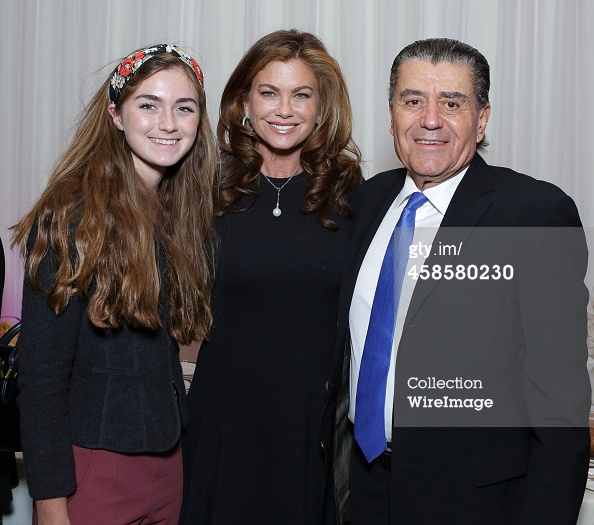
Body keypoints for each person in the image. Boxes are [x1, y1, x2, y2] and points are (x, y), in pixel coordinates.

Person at [323, 38, 591, 524]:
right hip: (362, 489)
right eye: (413, 101)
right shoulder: (368, 201)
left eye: (452, 103)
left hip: (476, 501)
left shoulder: (534, 215)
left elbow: (561, 408)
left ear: (482, 118)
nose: (430, 119)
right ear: (391, 114)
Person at [11, 43, 216, 525]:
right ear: (116, 115)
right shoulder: (70, 216)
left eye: (183, 108)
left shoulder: (181, 214)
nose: (168, 122)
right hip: (91, 469)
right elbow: (39, 378)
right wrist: (51, 504)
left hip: (168, 465)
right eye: (149, 104)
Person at [179, 29, 362, 525]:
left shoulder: (353, 195)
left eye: (301, 94)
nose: (284, 109)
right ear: (244, 101)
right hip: (222, 425)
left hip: (311, 432)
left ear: (322, 107)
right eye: (268, 92)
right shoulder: (203, 188)